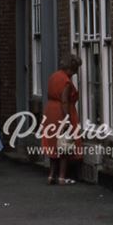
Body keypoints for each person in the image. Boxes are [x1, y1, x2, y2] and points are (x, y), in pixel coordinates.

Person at [41, 52, 83, 185]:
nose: (75, 73)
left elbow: (49, 94)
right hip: (61, 112)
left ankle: (51, 175)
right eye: (75, 70)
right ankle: (62, 177)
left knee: (54, 145)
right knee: (64, 147)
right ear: (71, 68)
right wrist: (67, 120)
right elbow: (65, 101)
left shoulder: (53, 76)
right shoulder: (66, 81)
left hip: (50, 110)